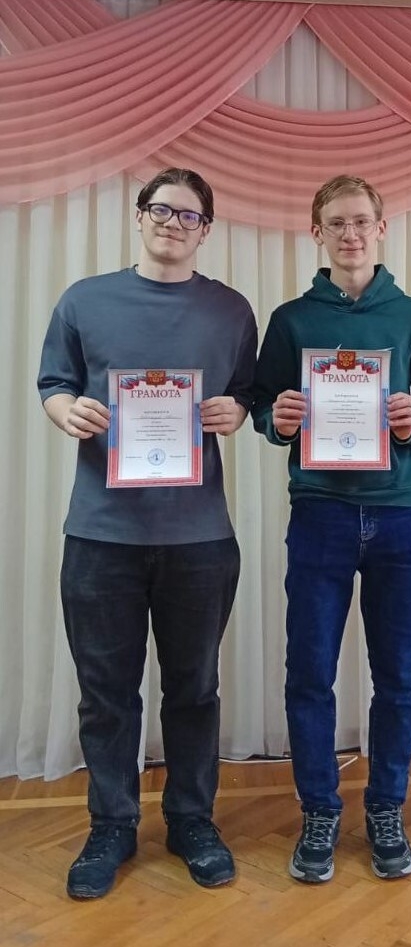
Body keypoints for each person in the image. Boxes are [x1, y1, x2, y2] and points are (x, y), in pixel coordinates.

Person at [37, 167, 258, 899]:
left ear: (206, 230)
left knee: (194, 689)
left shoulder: (231, 310)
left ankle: (192, 820)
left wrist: (235, 412)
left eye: (189, 215)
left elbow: (246, 395)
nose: (173, 222)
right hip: (101, 534)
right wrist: (66, 411)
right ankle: (112, 824)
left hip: (199, 537)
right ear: (139, 216)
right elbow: (53, 384)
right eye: (161, 209)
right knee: (106, 693)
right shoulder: (84, 300)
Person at [252, 175, 411, 884]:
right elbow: (263, 408)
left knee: (398, 673)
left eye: (361, 220)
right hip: (320, 515)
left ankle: (387, 807)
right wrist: (277, 421)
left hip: (397, 516)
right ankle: (319, 810)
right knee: (309, 671)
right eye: (336, 222)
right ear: (317, 232)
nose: (350, 233)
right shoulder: (291, 320)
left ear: (381, 228)